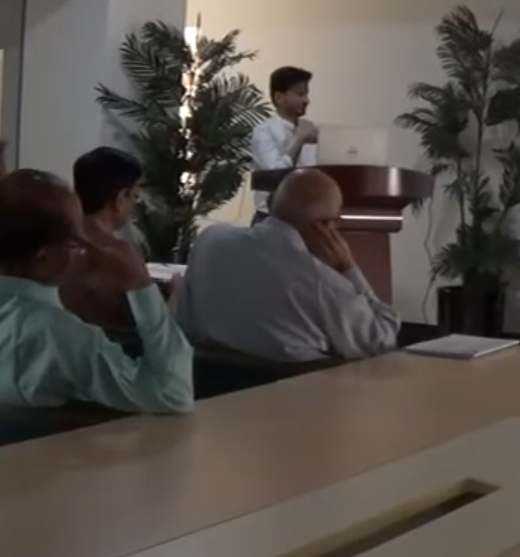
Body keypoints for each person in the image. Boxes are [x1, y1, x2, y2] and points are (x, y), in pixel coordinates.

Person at [0, 169, 193, 413]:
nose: (86, 249)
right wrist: (139, 283)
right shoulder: (55, 334)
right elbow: (173, 394)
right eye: (76, 240)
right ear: (43, 258)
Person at [175, 168, 399, 362]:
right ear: (325, 227)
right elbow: (381, 342)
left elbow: (185, 323)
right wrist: (349, 268)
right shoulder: (322, 284)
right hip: (302, 395)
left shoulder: (210, 241)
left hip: (211, 388)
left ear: (272, 204)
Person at [59, 147, 144, 332]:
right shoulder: (120, 254)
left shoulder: (52, 245)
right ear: (120, 198)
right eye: (134, 195)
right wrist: (175, 294)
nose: (134, 204)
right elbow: (151, 326)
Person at [250, 66, 319, 225]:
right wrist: (299, 139)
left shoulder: (309, 129)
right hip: (270, 219)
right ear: (279, 97)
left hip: (304, 218)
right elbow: (276, 174)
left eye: (307, 94)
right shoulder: (264, 131)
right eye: (300, 94)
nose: (306, 100)